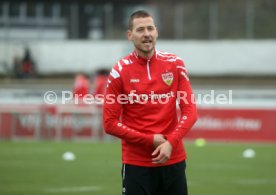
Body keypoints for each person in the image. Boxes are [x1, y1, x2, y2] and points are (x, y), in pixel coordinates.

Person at [103, 10, 198, 195]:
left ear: (157, 32)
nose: (146, 34)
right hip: (136, 164)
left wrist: (170, 143)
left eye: (150, 28)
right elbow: (110, 123)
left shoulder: (175, 64)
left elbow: (190, 112)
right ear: (129, 35)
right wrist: (150, 140)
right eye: (140, 30)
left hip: (173, 159)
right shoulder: (119, 71)